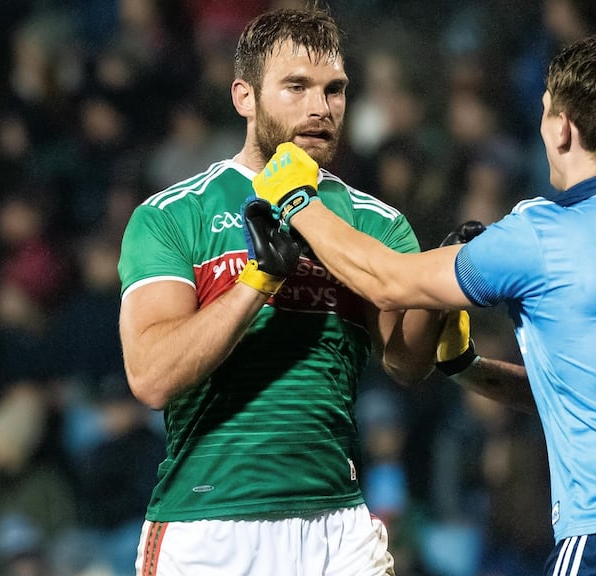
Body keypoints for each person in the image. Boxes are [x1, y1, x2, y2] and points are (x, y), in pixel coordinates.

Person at [254, 34, 596, 574]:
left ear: (563, 128)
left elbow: (388, 282)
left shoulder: (541, 234)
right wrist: (468, 369)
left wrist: (297, 202)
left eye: (545, 112)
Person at [116, 7, 444, 575]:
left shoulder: (376, 222)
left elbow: (406, 363)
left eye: (334, 90)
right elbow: (151, 376)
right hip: (208, 524)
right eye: (297, 87)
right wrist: (256, 283)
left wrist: (443, 300)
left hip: (337, 525)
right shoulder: (173, 214)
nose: (321, 108)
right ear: (244, 96)